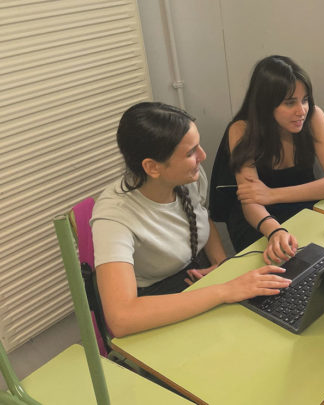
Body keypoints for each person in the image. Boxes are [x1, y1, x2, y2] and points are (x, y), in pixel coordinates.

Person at [91, 102, 292, 338]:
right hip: (154, 297)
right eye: (190, 152)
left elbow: (200, 217)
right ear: (152, 167)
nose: (203, 156)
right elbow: (122, 319)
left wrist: (222, 264)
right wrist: (224, 290)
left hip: (196, 275)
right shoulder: (114, 217)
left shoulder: (188, 176)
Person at [209, 55, 324, 264]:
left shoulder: (314, 117)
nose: (301, 111)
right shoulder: (241, 130)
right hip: (258, 218)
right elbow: (251, 201)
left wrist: (272, 194)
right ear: (266, 105)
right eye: (290, 103)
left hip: (299, 202)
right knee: (281, 265)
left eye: (305, 100)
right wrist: (274, 231)